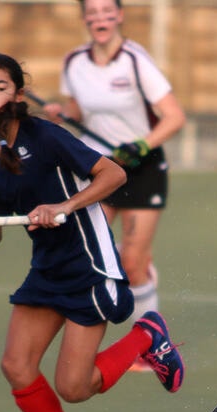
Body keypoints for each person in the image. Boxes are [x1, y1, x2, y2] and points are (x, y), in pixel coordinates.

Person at [0, 53, 185, 412]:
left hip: (89, 264)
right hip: (47, 268)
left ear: (16, 91)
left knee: (74, 387)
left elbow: (113, 173)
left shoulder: (46, 135)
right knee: (16, 365)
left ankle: (148, 335)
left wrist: (64, 207)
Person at [42, 0, 186, 371]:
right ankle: (95, 335)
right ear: (85, 18)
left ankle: (149, 345)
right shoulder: (74, 62)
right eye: (93, 12)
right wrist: (62, 115)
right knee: (91, 255)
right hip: (102, 170)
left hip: (143, 166)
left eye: (108, 10)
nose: (100, 18)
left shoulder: (135, 60)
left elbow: (174, 117)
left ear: (120, 15)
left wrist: (140, 145)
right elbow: (78, 113)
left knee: (133, 262)